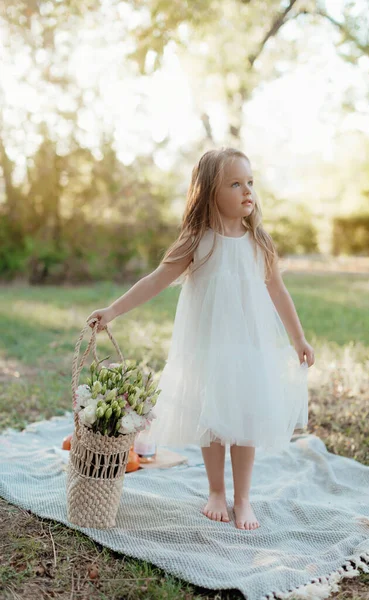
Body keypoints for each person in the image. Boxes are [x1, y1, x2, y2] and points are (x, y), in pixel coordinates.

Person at [86, 147, 315, 531]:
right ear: (211, 192)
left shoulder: (259, 241)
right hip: (209, 347)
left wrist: (299, 339)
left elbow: (278, 291)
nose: (248, 192)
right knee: (214, 418)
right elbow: (155, 280)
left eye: (251, 183)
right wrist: (112, 311)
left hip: (249, 347)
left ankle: (243, 498)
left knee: (245, 418)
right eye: (236, 183)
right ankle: (216, 492)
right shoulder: (198, 242)